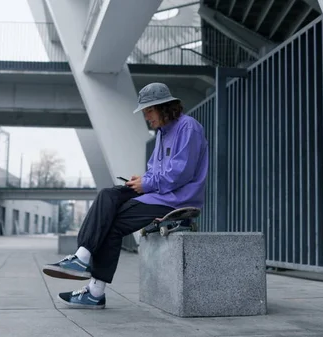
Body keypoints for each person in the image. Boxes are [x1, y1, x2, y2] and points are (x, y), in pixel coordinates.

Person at [42, 82, 209, 309]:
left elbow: (181, 173)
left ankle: (94, 290)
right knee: (108, 194)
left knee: (112, 224)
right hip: (158, 193)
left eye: (149, 110)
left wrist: (147, 183)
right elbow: (154, 171)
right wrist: (140, 181)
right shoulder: (161, 134)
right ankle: (81, 257)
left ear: (165, 107)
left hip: (176, 200)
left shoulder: (188, 128)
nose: (146, 117)